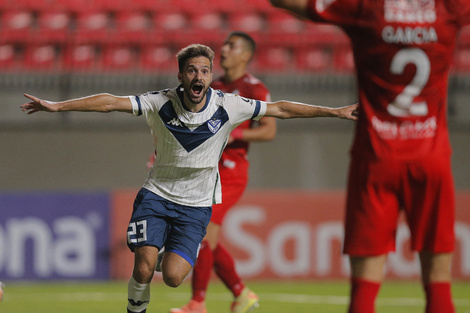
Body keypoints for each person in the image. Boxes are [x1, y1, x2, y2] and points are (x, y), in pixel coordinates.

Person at [20, 43, 358, 313]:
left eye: (205, 71)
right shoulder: (158, 102)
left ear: (211, 77)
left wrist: (334, 111)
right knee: (143, 267)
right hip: (156, 195)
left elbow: (280, 109)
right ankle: (135, 308)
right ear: (181, 75)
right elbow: (110, 102)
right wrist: (57, 106)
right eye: (193, 70)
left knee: (173, 278)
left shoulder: (229, 105)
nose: (199, 75)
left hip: (196, 206)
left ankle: (168, 246)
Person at [269, 1, 470, 313]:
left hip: (377, 158)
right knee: (439, 282)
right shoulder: (449, 9)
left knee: (364, 287)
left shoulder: (367, 9)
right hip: (431, 158)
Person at [168, 32, 276, 313]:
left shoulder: (254, 87)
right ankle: (241, 294)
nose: (224, 49)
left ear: (246, 55)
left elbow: (268, 130)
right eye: (225, 44)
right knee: (206, 236)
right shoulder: (212, 86)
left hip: (231, 170)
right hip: (206, 168)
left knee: (203, 231)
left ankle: (198, 302)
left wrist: (236, 132)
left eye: (232, 46)